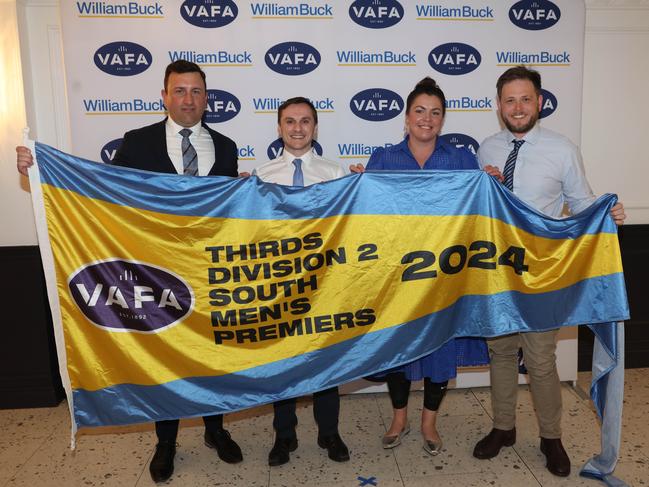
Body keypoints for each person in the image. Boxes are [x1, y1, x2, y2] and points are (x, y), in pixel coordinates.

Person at [17, 60, 243, 484]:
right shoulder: (137, 142)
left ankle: (216, 430)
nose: (188, 99)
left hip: (208, 274)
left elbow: (230, 211)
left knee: (213, 355)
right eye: (179, 91)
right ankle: (166, 442)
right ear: (164, 96)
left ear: (206, 99)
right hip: (155, 275)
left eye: (196, 91)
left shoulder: (227, 146)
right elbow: (103, 193)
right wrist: (40, 169)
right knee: (163, 359)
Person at [473, 65, 626, 478]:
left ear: (539, 102)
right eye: (510, 100)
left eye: (525, 99)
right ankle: (503, 428)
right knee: (501, 352)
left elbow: (580, 204)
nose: (518, 107)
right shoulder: (485, 149)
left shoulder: (562, 149)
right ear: (499, 106)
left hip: (542, 272)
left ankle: (550, 436)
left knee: (540, 359)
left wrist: (605, 213)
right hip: (497, 273)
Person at [350, 77, 489, 456]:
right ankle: (399, 418)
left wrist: (489, 183)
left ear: (442, 120)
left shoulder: (461, 159)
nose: (426, 119)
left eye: (435, 113)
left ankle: (429, 423)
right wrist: (357, 187)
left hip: (445, 274)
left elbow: (477, 210)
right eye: (419, 111)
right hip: (398, 275)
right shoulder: (383, 159)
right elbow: (371, 215)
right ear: (406, 116)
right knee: (398, 347)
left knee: (439, 351)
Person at [252, 96, 349, 466]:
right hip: (279, 288)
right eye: (290, 121)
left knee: (327, 360)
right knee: (283, 362)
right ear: (279, 128)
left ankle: (329, 433)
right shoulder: (261, 176)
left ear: (315, 127)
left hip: (325, 285)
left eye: (305, 121)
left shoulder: (336, 173)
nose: (297, 128)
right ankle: (285, 436)